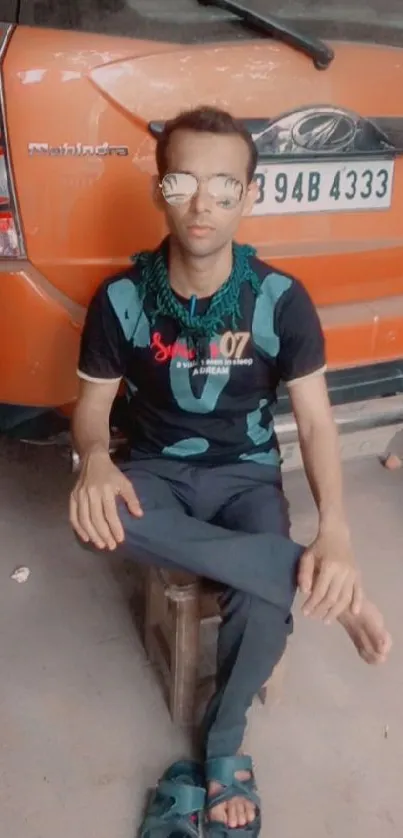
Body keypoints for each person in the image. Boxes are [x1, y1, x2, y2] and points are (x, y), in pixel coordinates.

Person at [70, 107, 392, 838]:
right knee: (102, 516)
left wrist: (334, 530)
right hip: (151, 468)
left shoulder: (280, 300)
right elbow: (89, 411)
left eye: (224, 185)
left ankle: (222, 747)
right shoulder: (120, 299)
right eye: (183, 180)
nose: (203, 202)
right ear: (160, 189)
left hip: (246, 473)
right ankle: (307, 578)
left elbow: (313, 421)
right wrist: (92, 459)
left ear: (248, 197)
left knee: (260, 603)